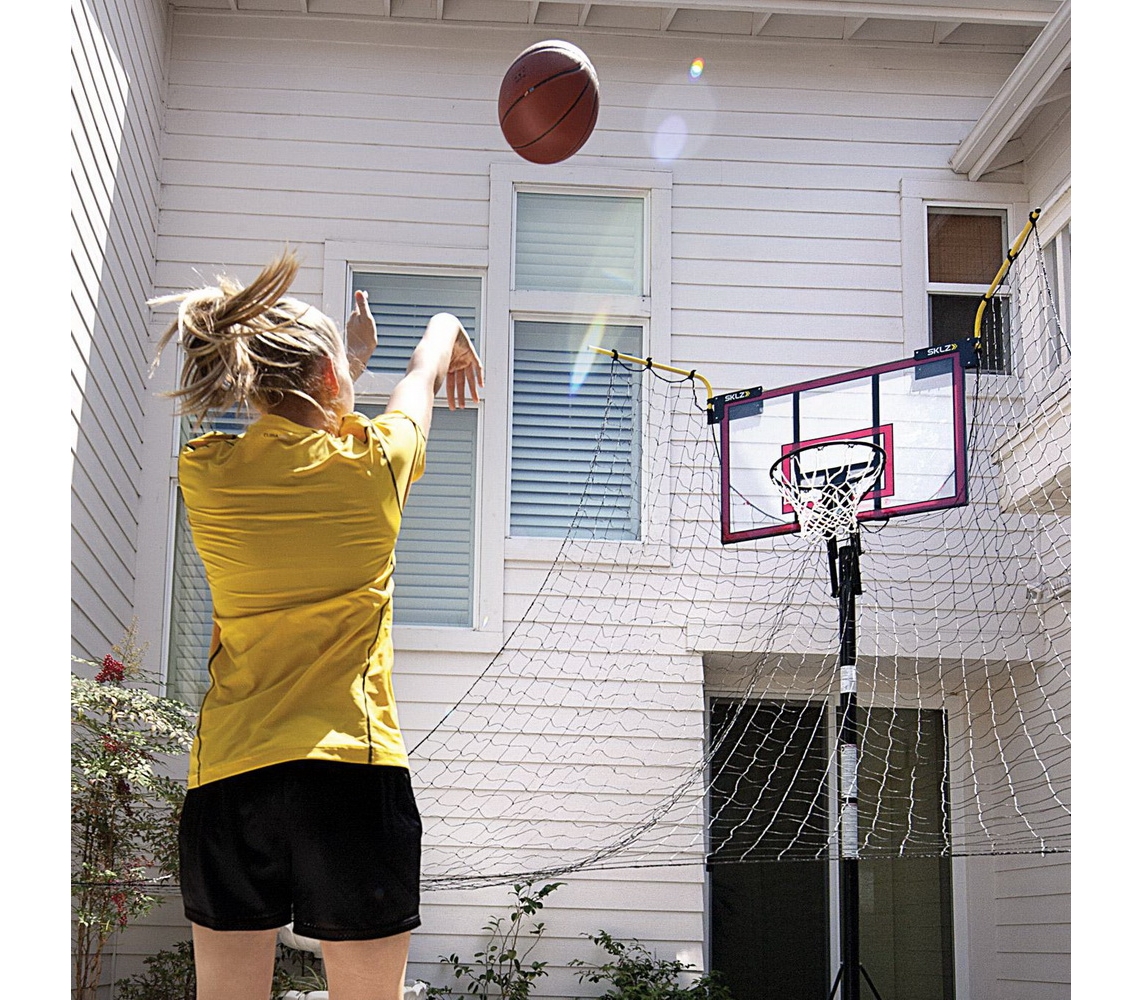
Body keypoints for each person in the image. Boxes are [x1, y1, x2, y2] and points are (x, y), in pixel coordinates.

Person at [150, 250, 483, 1000]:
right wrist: (445, 325)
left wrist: (341, 367)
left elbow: (301, 422)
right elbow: (419, 379)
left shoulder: (208, 471)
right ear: (334, 383)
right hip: (348, 775)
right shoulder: (377, 465)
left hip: (231, 780)